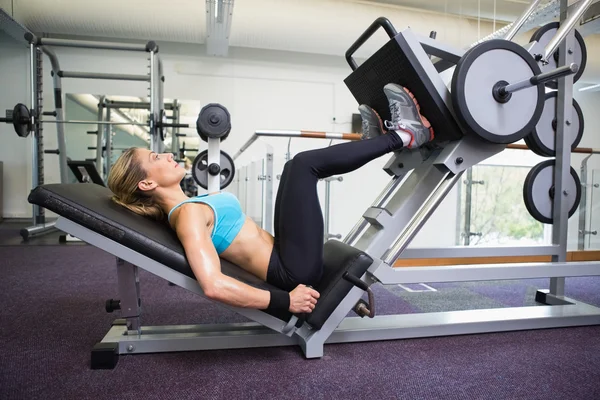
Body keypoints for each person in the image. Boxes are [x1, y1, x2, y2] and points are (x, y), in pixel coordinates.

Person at [107, 84, 434, 315]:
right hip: (291, 272)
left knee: (298, 166)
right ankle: (404, 135)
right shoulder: (187, 217)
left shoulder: (190, 207)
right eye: (154, 157)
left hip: (286, 256)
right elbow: (213, 285)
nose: (165, 155)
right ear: (147, 182)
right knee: (303, 166)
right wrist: (285, 302)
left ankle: (378, 142)